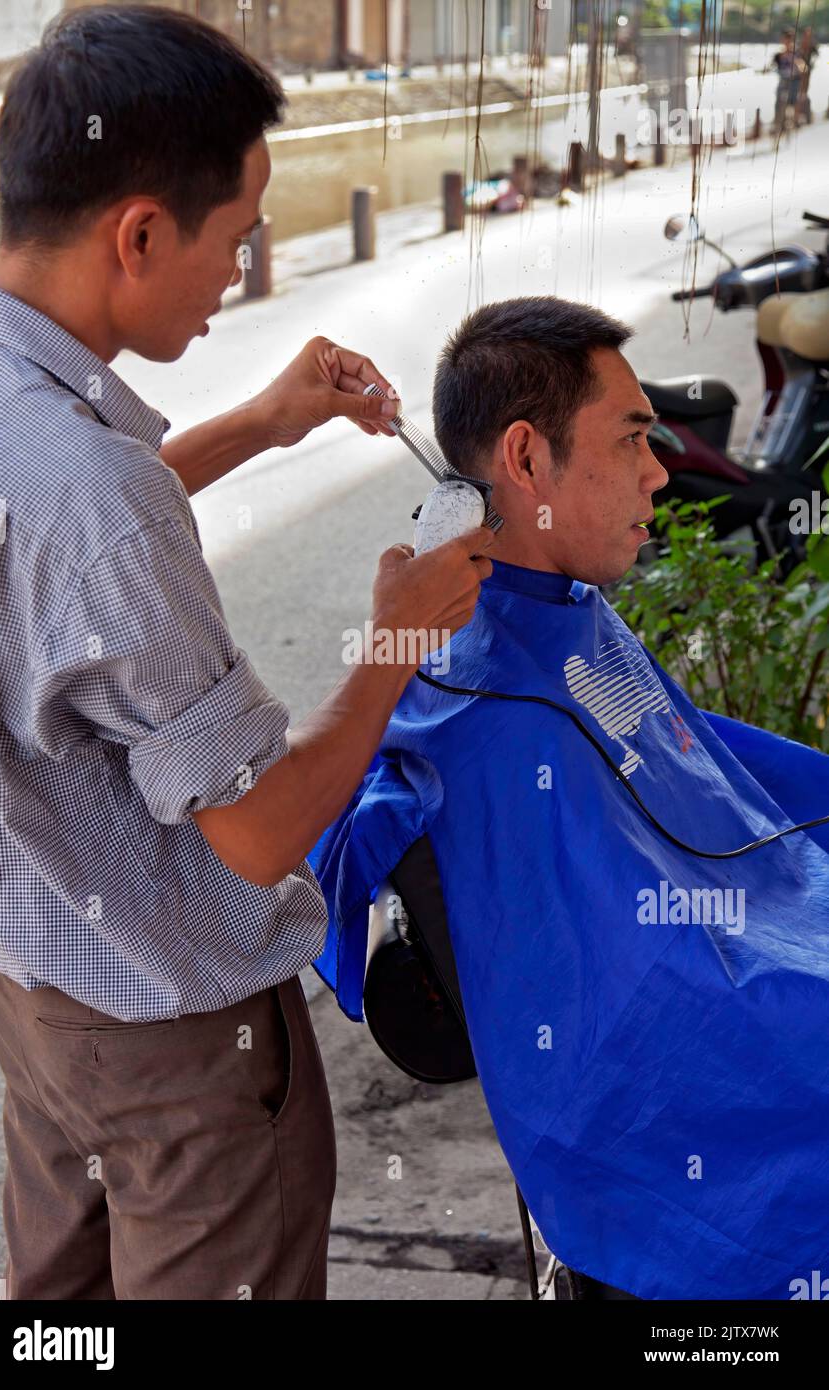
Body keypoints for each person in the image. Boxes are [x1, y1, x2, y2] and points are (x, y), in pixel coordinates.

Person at [0, 5, 494, 1301]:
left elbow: (48, 561)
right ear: (139, 232)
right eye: (237, 241)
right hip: (176, 1053)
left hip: (38, 1006)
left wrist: (261, 422)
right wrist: (395, 640)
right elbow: (256, 832)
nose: (244, 273)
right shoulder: (97, 498)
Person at [311, 296, 829, 1300]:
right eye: (631, 439)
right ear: (524, 458)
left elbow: (709, 769)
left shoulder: (562, 613)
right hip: (716, 1039)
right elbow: (641, 995)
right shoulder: (487, 701)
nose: (659, 470)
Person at [768, 28, 808, 132]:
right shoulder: (778, 55)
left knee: (794, 101)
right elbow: (772, 66)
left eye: (789, 39)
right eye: (785, 39)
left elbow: (804, 68)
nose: (787, 42)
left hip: (794, 81)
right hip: (783, 80)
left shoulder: (797, 53)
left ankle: (795, 121)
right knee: (779, 101)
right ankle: (778, 124)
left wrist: (797, 62)